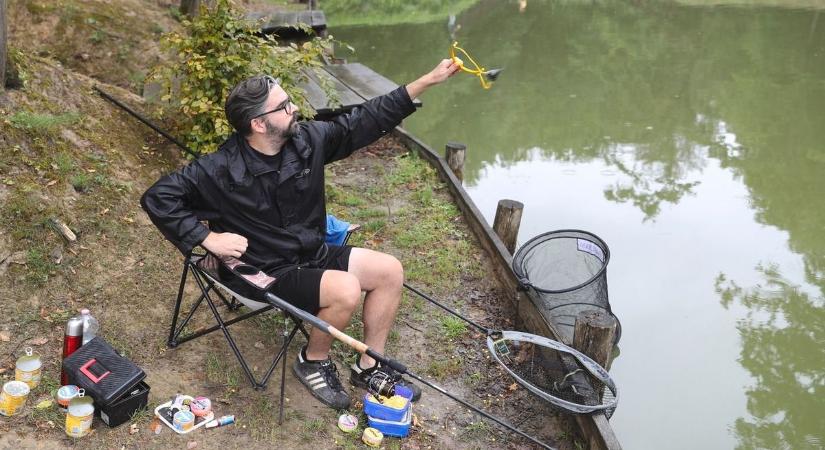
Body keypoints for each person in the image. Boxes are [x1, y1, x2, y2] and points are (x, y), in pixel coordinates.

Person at [141, 59, 459, 410]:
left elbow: (363, 121)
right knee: (345, 289)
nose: (294, 109)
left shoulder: (307, 140)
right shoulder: (218, 170)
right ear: (259, 124)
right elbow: (158, 197)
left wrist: (426, 81)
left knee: (389, 271)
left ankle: (370, 365)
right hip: (263, 271)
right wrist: (208, 240)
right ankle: (313, 360)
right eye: (284, 106)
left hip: (312, 253)